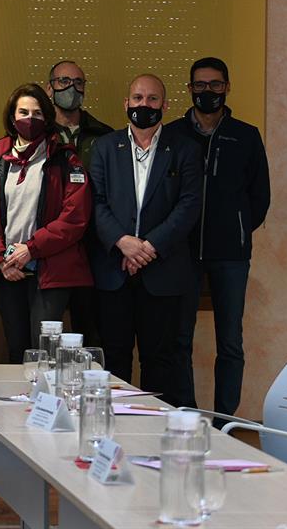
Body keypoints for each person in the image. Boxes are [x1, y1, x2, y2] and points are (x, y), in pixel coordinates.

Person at [166, 57, 270, 419]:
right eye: (199, 85)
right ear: (190, 88)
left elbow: (260, 197)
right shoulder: (174, 134)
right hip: (182, 251)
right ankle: (187, 415)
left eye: (214, 84)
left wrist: (237, 228)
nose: (206, 91)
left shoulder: (246, 135)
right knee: (179, 338)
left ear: (227, 87)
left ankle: (225, 418)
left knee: (230, 342)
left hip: (231, 254)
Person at [89, 74, 201, 403]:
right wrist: (123, 241)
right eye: (137, 98)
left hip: (163, 272)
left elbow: (190, 204)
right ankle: (114, 433)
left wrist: (148, 247)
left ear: (165, 106)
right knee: (114, 358)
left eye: (152, 99)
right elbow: (95, 201)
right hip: (113, 271)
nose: (144, 105)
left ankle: (154, 436)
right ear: (126, 104)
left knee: (160, 361)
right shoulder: (106, 147)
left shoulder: (185, 150)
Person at [0, 83, 93, 364]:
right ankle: (21, 409)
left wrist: (30, 249)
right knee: (16, 350)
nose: (30, 118)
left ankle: (47, 408)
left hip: (50, 272)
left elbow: (74, 219)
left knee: (45, 354)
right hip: (9, 271)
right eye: (23, 112)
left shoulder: (65, 159)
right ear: (12, 118)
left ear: (47, 118)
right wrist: (1, 259)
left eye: (37, 113)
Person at [46, 59, 112, 346]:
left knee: (94, 335)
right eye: (63, 82)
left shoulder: (105, 137)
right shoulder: (37, 134)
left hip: (94, 248)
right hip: (49, 249)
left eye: (78, 83)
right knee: (46, 337)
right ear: (49, 88)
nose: (71, 88)